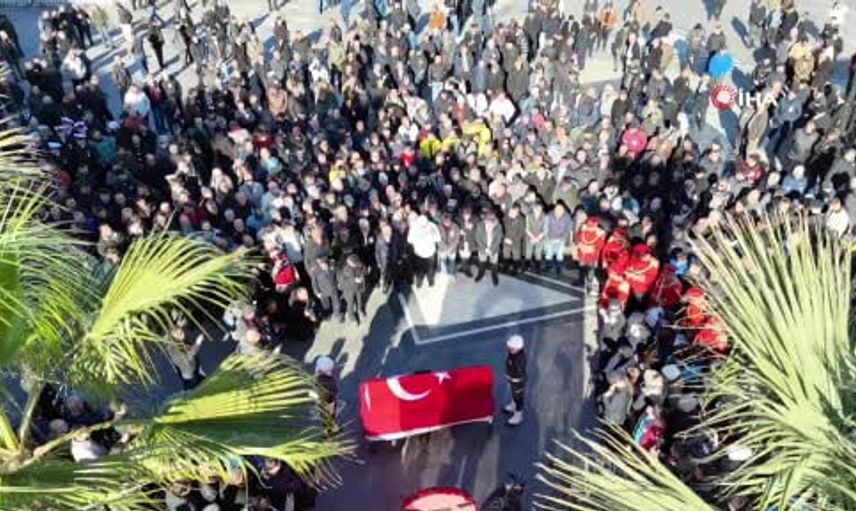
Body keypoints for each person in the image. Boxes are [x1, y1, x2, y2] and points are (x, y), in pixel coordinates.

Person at [408, 214, 441, 288]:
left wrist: (431, 235)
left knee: (430, 270)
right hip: (419, 254)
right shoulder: (413, 227)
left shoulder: (432, 226)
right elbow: (409, 240)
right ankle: (419, 284)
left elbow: (438, 238)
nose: (423, 227)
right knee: (419, 271)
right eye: (421, 226)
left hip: (430, 253)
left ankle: (431, 282)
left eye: (424, 225)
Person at [475, 209, 503, 285]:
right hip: (482, 248)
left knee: (494, 264)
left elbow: (498, 239)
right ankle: (481, 274)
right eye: (486, 221)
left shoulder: (498, 226)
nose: (487, 224)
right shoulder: (480, 225)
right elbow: (478, 238)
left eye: (490, 223)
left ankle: (494, 276)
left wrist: (491, 249)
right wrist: (485, 249)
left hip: (493, 249)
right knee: (482, 263)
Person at [504, 335, 526, 426]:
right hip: (512, 379)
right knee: (514, 394)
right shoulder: (513, 354)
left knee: (518, 398)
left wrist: (513, 379)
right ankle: (513, 405)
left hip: (517, 382)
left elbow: (518, 373)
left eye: (511, 347)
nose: (509, 348)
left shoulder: (519, 360)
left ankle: (518, 415)